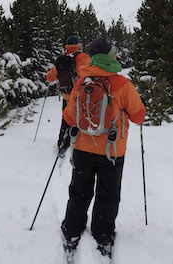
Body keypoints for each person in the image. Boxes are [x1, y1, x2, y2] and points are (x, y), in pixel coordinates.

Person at [60, 36, 146, 258]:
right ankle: (102, 233)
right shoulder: (122, 84)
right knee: (108, 195)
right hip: (112, 151)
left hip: (82, 148)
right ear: (110, 56)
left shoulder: (81, 81)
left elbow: (69, 117)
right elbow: (138, 116)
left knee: (79, 192)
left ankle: (72, 229)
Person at [46, 35, 89, 155]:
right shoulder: (82, 57)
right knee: (83, 119)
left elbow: (50, 77)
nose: (82, 44)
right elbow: (89, 73)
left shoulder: (62, 60)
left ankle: (62, 144)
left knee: (66, 120)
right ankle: (80, 143)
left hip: (66, 97)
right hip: (80, 96)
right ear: (77, 44)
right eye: (80, 42)